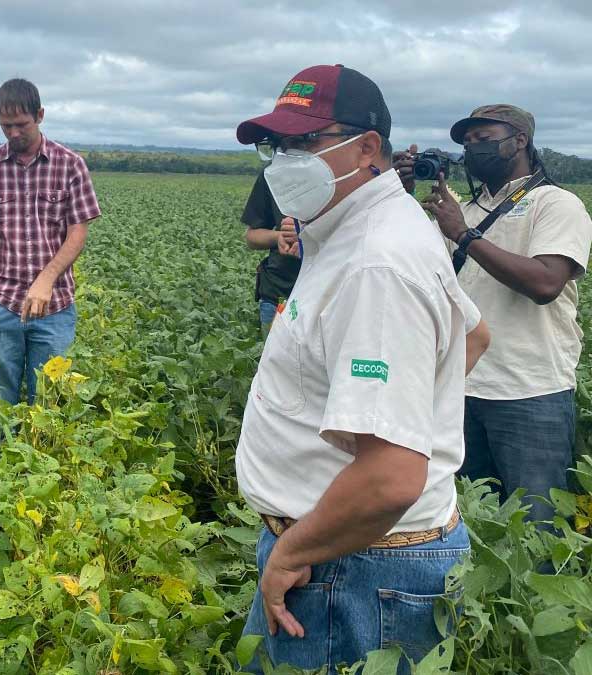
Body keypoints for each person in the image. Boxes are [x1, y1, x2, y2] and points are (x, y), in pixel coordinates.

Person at [233, 64, 491, 673]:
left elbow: (391, 479)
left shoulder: (377, 262)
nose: (285, 161)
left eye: (304, 142)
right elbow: (474, 335)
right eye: (277, 145)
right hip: (346, 552)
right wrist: (403, 406)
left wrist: (294, 550)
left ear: (368, 148)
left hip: (352, 568)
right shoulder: (363, 228)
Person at [394, 105, 592, 524]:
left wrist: (464, 235)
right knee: (470, 518)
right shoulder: (464, 210)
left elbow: (545, 283)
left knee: (537, 524)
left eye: (484, 139)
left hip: (530, 391)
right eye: (467, 143)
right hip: (463, 387)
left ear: (520, 141)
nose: (473, 148)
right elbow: (415, 271)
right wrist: (400, 196)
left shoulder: (555, 204)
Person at [0, 78, 101, 405]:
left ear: (40, 115)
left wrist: (46, 279)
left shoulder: (70, 165)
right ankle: (1, 440)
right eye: (5, 126)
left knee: (48, 402)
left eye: (21, 124)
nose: (13, 133)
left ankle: (39, 439)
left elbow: (78, 232)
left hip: (54, 308)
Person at [241, 172, 300, 336]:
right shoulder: (273, 173)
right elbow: (251, 236)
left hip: (330, 296)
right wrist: (279, 236)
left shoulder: (348, 174)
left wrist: (311, 234)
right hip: (278, 294)